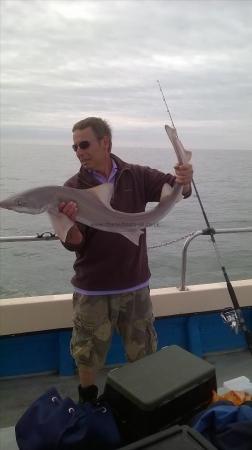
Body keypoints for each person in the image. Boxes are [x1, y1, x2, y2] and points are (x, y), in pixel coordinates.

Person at [59, 117, 193, 404]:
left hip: (135, 284)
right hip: (93, 288)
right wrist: (69, 223)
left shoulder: (135, 175)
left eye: (84, 144)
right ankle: (88, 402)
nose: (79, 151)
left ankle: (143, 405)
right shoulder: (72, 189)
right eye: (74, 147)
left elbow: (175, 189)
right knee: (87, 353)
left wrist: (185, 177)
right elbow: (75, 244)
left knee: (143, 350)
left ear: (105, 142)